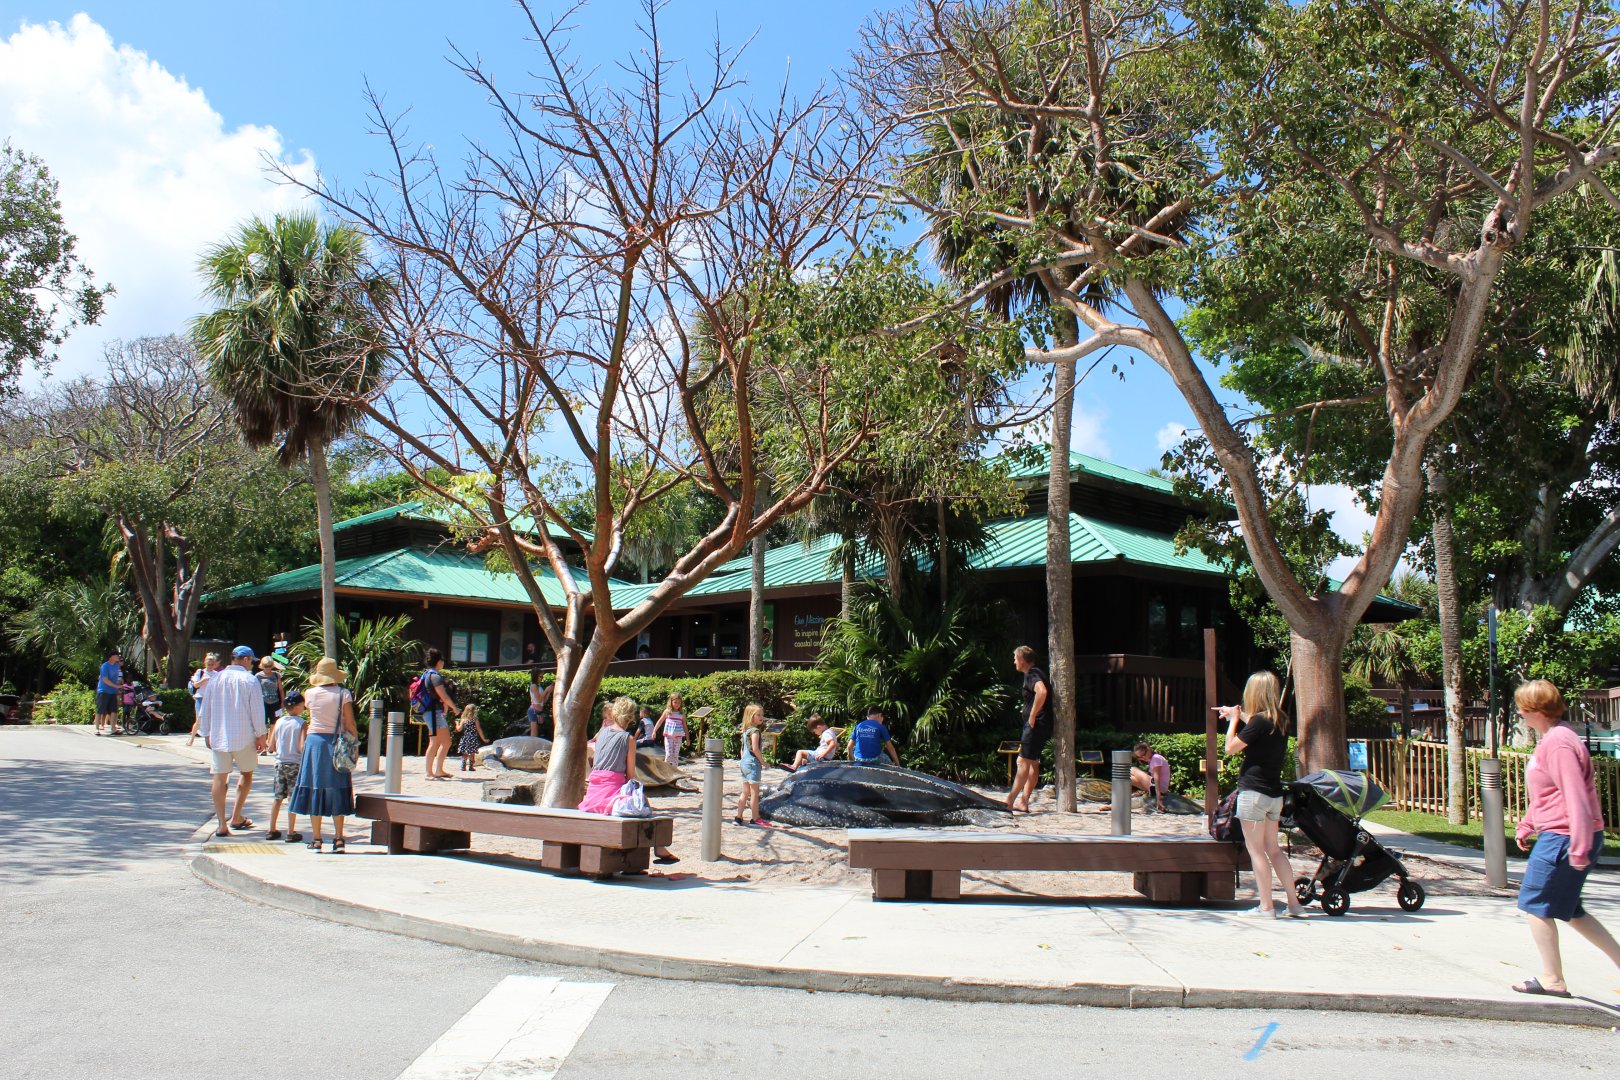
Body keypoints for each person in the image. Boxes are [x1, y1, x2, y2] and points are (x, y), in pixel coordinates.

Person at [1510, 679, 1620, 997]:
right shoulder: (1554, 738)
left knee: (1535, 904)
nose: (1519, 712)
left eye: (1522, 708)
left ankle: (1552, 979)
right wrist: (1529, 822)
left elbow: (1576, 796)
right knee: (1572, 911)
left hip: (1565, 838)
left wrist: (1581, 846)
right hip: (1561, 833)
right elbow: (1550, 793)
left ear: (1536, 711)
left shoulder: (1558, 743)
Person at [1222, 671, 1306, 919]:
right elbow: (1259, 725)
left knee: (1256, 851)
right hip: (1273, 795)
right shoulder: (1280, 719)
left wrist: (1232, 722)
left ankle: (1266, 907)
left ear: (1253, 692)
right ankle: (1294, 904)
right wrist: (1238, 714)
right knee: (1274, 849)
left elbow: (1230, 749)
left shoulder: (1258, 721)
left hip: (1253, 793)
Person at [578, 696, 678, 864]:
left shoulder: (601, 734)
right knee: (642, 803)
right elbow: (630, 776)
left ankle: (656, 849)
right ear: (631, 717)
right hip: (612, 794)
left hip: (593, 793)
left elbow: (596, 762)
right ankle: (659, 848)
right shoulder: (628, 739)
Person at [198, 645, 268, 836]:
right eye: (251, 661)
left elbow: (206, 709)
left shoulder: (215, 679)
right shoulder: (250, 680)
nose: (251, 664)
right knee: (246, 774)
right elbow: (257, 711)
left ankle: (222, 824)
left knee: (219, 777)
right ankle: (236, 815)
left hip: (219, 736)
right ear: (245, 659)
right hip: (245, 737)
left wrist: (206, 733)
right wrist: (261, 734)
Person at [289, 657, 358, 853]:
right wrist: (355, 744)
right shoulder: (343, 694)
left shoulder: (309, 694)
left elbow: (312, 716)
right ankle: (338, 838)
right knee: (338, 786)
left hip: (314, 743)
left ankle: (317, 839)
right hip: (336, 742)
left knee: (314, 786)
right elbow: (350, 722)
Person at [1008, 645, 1053, 813]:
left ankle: (1009, 801)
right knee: (1033, 763)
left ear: (1022, 660)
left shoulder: (1032, 674)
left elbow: (1042, 692)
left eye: (1015, 658)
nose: (1014, 662)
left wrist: (1032, 715)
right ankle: (1023, 802)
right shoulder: (1036, 672)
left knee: (1023, 761)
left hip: (1036, 724)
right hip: (1042, 725)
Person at [266, 691, 307, 843]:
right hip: (295, 763)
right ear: (297, 707)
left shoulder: (279, 722)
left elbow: (270, 746)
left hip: (280, 763)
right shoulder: (302, 723)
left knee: (277, 797)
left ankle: (272, 829)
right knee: (291, 797)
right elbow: (302, 746)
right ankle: (290, 831)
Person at [418, 648, 459, 780]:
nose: (443, 663)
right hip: (434, 713)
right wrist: (455, 708)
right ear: (438, 661)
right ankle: (431, 772)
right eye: (442, 660)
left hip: (431, 713)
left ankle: (436, 770)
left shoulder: (426, 674)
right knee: (443, 742)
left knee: (436, 742)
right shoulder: (435, 676)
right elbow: (444, 696)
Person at [736, 704, 769, 826]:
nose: (762, 717)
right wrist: (763, 762)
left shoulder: (745, 731)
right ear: (751, 716)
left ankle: (738, 817)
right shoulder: (755, 731)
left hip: (744, 763)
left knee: (745, 792)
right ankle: (755, 818)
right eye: (758, 715)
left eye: (762, 714)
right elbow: (755, 749)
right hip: (752, 764)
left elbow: (742, 750)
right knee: (754, 792)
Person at [187, 653, 221, 746]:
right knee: (199, 720)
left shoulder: (217, 674)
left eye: (212, 664)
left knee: (211, 720)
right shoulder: (200, 672)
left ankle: (209, 740)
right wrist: (204, 680)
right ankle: (192, 738)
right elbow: (195, 685)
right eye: (208, 664)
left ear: (215, 664)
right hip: (200, 698)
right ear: (205, 663)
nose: (210, 666)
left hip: (211, 699)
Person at [1131, 741, 1171, 813]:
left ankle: (1156, 797)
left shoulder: (1156, 758)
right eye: (1139, 757)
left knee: (1132, 769)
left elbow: (1156, 778)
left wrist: (1158, 799)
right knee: (1129, 779)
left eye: (1143, 755)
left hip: (1160, 788)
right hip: (1155, 787)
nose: (1142, 758)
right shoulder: (1151, 760)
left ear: (1149, 749)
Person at [652, 691, 688, 767]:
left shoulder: (681, 714)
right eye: (675, 702)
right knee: (668, 754)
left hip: (678, 737)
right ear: (671, 702)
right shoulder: (667, 712)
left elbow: (685, 726)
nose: (677, 704)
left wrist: (687, 738)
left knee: (675, 755)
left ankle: (674, 771)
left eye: (679, 702)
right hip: (669, 736)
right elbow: (660, 721)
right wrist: (654, 731)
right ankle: (666, 770)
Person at [95, 649, 123, 736]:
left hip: (113, 691)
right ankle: (97, 729)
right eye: (116, 655)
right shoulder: (105, 666)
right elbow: (105, 679)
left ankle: (113, 729)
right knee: (100, 710)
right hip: (103, 690)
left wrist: (120, 685)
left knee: (114, 710)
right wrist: (116, 686)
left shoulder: (117, 666)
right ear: (111, 657)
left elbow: (117, 678)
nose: (118, 657)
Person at [456, 704, 487, 772]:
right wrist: (483, 738)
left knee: (464, 753)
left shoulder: (464, 720)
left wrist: (457, 724)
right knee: (472, 753)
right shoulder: (475, 719)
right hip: (473, 737)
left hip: (465, 737)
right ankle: (471, 766)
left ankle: (463, 766)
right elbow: (479, 729)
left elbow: (459, 729)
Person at [257, 656, 284, 724]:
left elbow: (280, 689)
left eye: (269, 666)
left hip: (275, 702)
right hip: (263, 703)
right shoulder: (258, 676)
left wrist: (283, 702)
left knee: (275, 722)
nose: (268, 668)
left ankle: (272, 735)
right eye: (266, 666)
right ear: (262, 666)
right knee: (263, 723)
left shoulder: (276, 675)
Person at [526, 668, 550, 738]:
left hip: (539, 711)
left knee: (538, 733)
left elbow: (543, 701)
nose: (542, 678)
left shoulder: (539, 686)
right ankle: (532, 748)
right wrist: (546, 690)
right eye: (540, 676)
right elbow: (539, 699)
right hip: (533, 711)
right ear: (535, 676)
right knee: (534, 733)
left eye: (542, 676)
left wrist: (548, 692)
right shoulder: (534, 686)